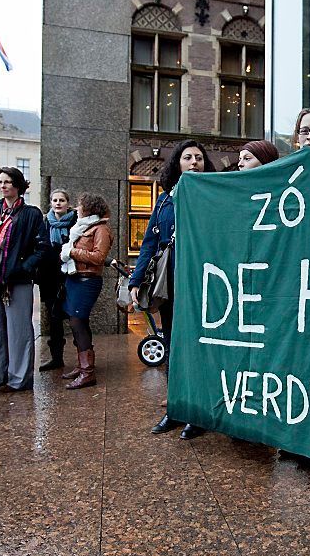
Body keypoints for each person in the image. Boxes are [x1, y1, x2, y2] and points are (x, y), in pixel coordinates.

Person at [129, 140, 217, 439]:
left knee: (197, 345)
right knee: (173, 343)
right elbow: (150, 243)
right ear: (177, 164)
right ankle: (176, 408)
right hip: (171, 279)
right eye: (187, 157)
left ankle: (199, 412)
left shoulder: (213, 195)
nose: (194, 162)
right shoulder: (165, 200)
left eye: (199, 158)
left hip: (202, 279)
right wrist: (136, 279)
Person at [0, 167, 50, 393]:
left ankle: (18, 379)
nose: (3, 186)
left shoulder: (31, 213)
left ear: (18, 186)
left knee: (18, 330)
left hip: (17, 280)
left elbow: (42, 248)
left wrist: (23, 267)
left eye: (8, 182)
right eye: (0, 182)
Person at [59, 192, 112, 390]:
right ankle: (82, 366)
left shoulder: (101, 229)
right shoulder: (83, 226)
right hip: (75, 279)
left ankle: (87, 372)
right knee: (77, 322)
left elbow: (99, 257)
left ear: (89, 208)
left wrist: (71, 252)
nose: (76, 208)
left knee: (77, 322)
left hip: (87, 281)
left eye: (80, 205)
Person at [38, 189, 78, 371]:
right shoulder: (45, 222)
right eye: (54, 200)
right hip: (49, 276)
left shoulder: (76, 220)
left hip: (70, 275)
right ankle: (56, 358)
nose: (58, 203)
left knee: (76, 317)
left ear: (67, 203)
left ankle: (83, 359)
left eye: (61, 200)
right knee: (54, 318)